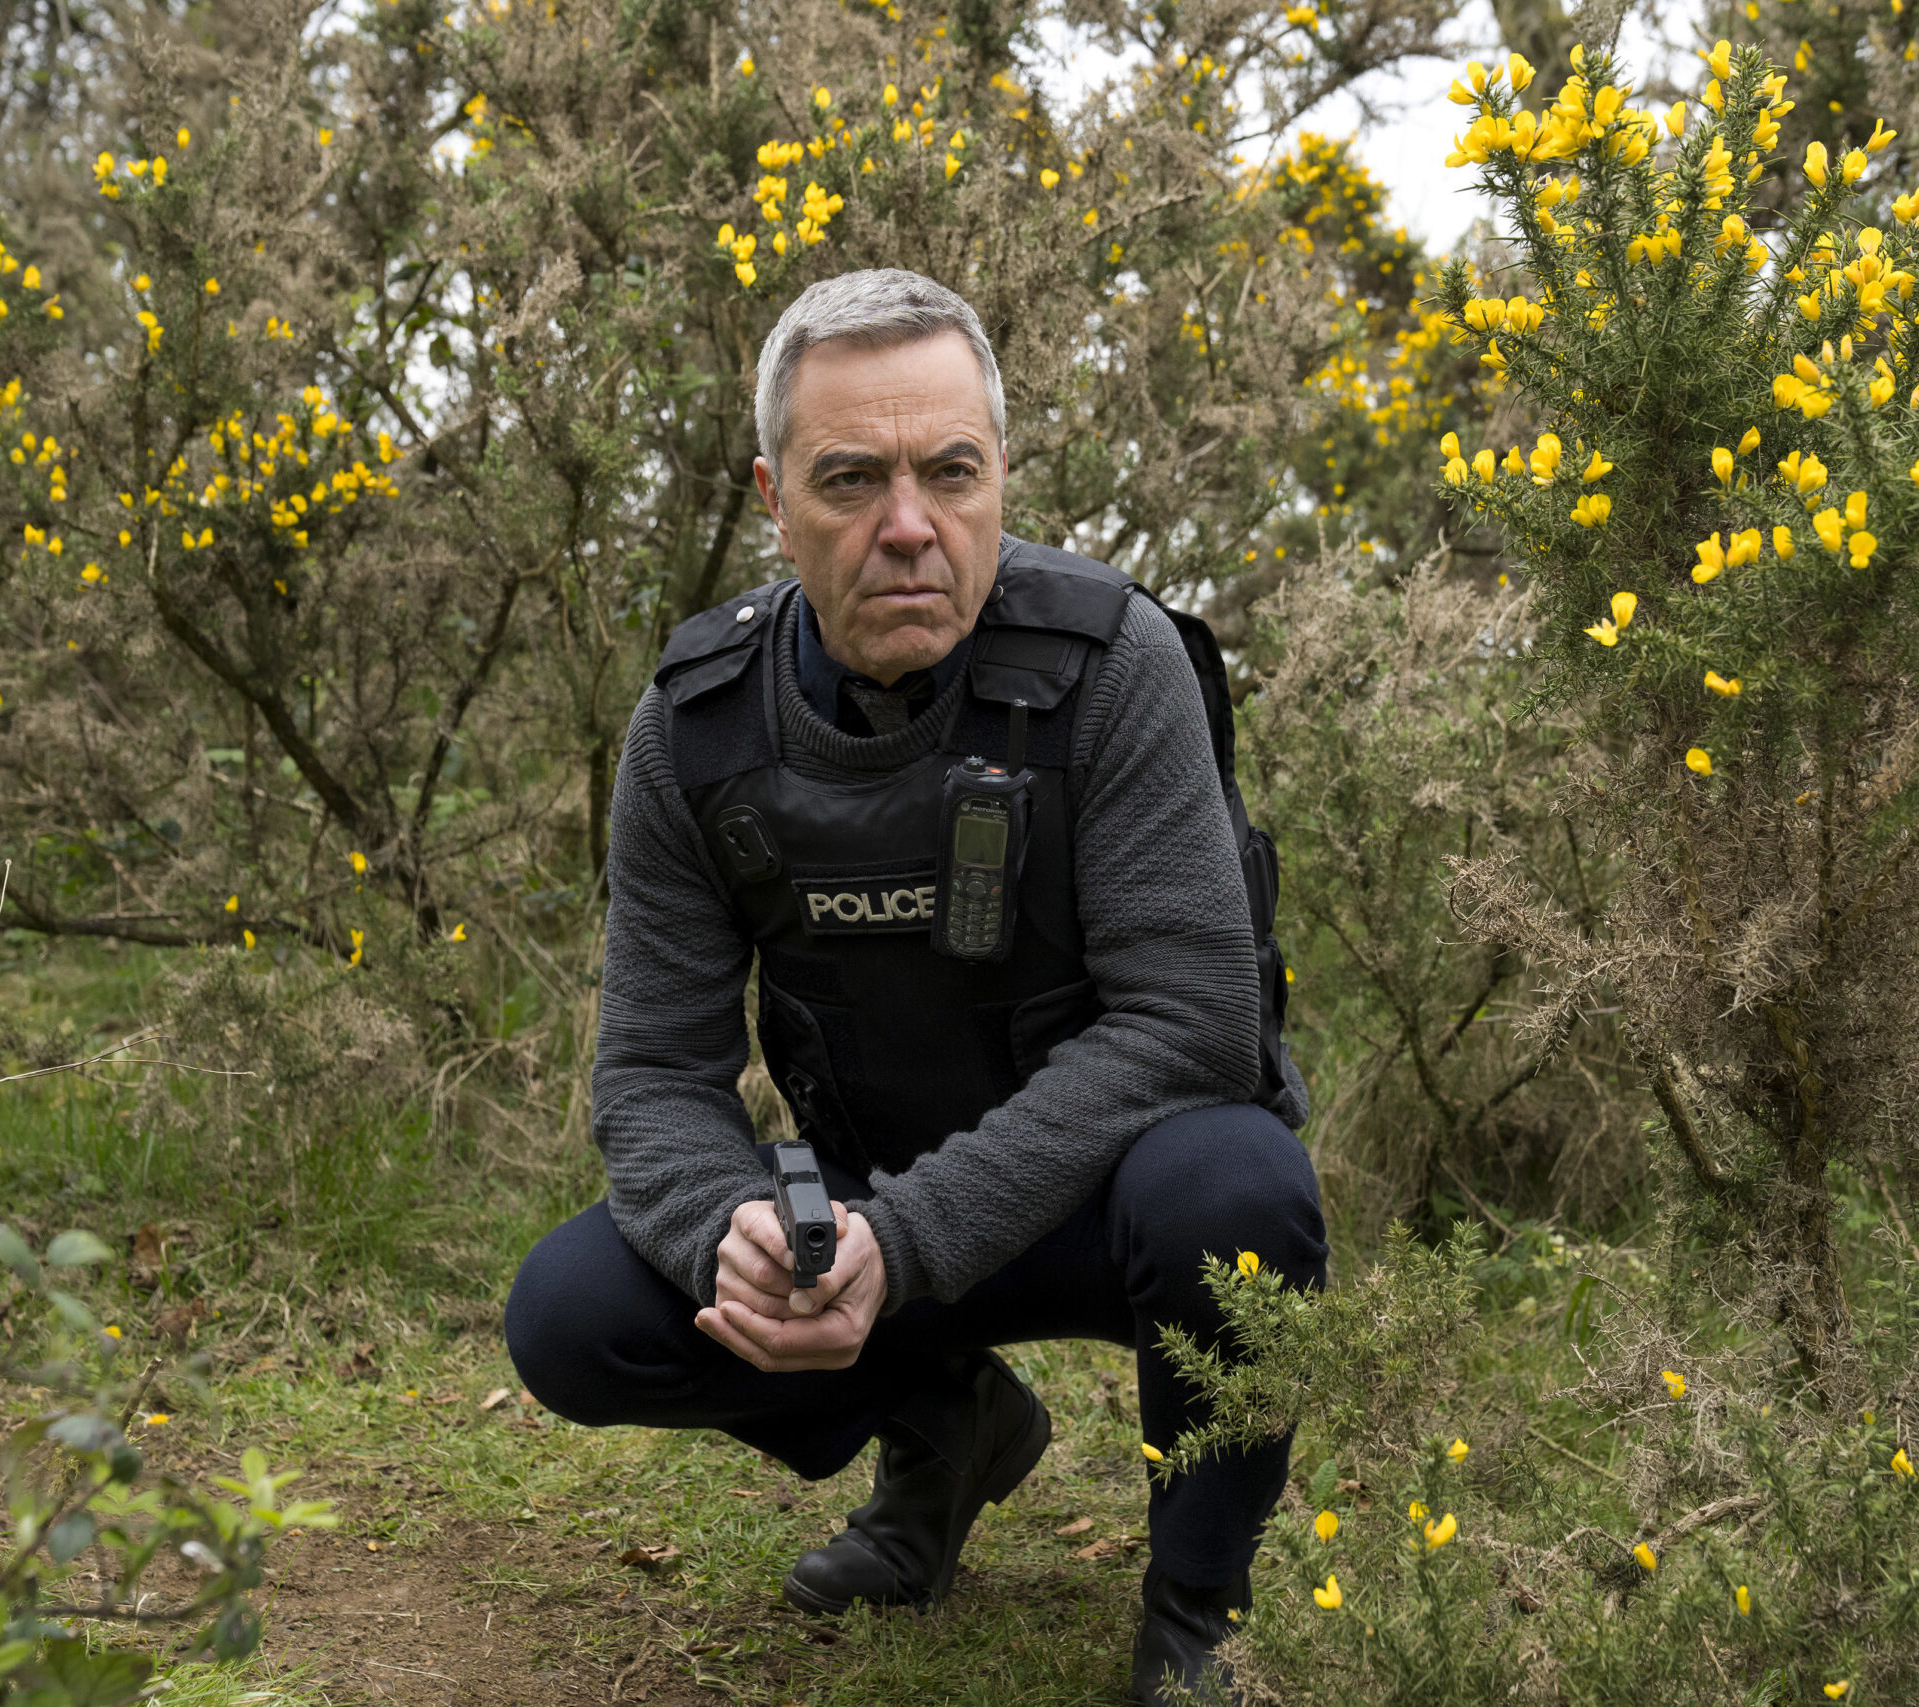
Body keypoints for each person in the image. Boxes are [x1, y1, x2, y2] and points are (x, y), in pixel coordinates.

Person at [503, 268, 1323, 1705]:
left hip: (1100, 1204)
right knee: (573, 1313)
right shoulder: (695, 729)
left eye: (952, 471)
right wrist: (733, 1234)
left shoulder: (1114, 665)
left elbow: (1196, 1022)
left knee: (1239, 1188)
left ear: (1002, 473)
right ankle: (949, 1426)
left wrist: (911, 1239)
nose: (908, 526)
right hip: (865, 1220)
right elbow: (650, 1074)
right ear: (771, 497)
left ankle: (1199, 1611)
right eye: (850, 478)